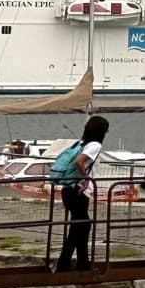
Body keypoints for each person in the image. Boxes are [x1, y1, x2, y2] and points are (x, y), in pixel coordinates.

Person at [57, 114, 110, 273]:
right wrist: (86, 178)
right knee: (80, 227)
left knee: (81, 227)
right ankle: (64, 265)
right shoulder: (95, 145)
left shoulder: (80, 143)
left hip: (69, 189)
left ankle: (82, 263)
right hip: (79, 191)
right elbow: (79, 161)